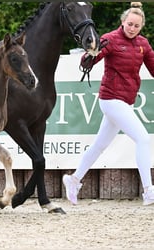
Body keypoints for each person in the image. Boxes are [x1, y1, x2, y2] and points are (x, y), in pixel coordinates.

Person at [63, 2, 154, 206]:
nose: (132, 28)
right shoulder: (110, 39)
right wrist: (89, 56)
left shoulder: (143, 44)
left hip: (126, 101)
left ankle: (73, 179)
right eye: (129, 24)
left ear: (141, 27)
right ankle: (148, 191)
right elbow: (89, 60)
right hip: (111, 99)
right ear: (123, 22)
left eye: (136, 26)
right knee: (143, 138)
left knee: (99, 146)